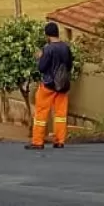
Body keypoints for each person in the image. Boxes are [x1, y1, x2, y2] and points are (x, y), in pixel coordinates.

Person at [27, 22, 73, 151]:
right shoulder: (66, 48)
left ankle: (37, 142)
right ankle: (60, 141)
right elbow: (69, 66)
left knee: (41, 113)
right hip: (63, 85)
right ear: (57, 33)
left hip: (48, 85)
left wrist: (40, 57)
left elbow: (42, 68)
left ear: (47, 34)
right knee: (60, 114)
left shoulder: (48, 49)